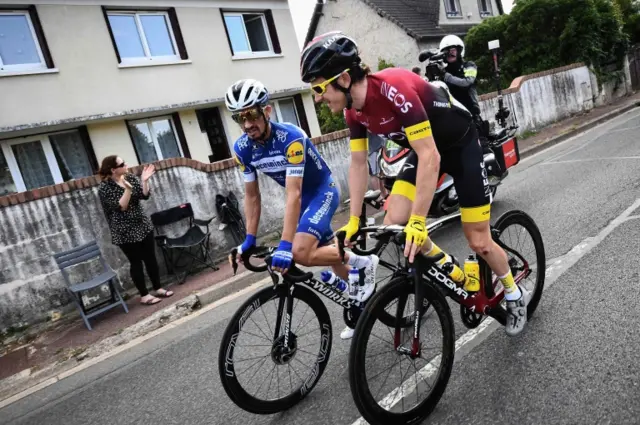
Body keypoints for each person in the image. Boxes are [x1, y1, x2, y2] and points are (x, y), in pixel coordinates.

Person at [300, 31, 531, 336]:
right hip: (424, 150)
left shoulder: (393, 90)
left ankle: (515, 295)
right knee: (394, 222)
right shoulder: (352, 112)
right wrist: (355, 220)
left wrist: (420, 222)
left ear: (343, 79)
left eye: (318, 87)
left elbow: (431, 157)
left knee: (478, 240)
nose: (317, 97)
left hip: (459, 147)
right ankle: (451, 269)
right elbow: (358, 164)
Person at [225, 79, 378, 340]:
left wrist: (285, 246)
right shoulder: (242, 149)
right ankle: (359, 299)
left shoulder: (291, 138)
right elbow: (251, 195)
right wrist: (248, 240)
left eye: (251, 114)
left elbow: (293, 193)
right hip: (304, 203)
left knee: (300, 251)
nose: (247, 123)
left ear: (267, 111)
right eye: (240, 118)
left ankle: (365, 263)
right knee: (333, 260)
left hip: (321, 192)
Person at [98, 156, 173, 305]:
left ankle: (157, 287)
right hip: (124, 231)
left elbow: (143, 196)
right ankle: (144, 295)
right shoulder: (105, 188)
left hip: (142, 225)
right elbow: (121, 207)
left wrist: (144, 180)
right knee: (136, 262)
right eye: (122, 164)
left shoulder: (130, 177)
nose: (126, 165)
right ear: (113, 169)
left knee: (150, 258)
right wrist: (127, 189)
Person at [437, 35, 483, 132]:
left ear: (459, 50)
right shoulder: (443, 71)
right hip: (452, 114)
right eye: (446, 51)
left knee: (480, 143)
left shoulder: (469, 65)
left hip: (470, 112)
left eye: (452, 50)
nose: (450, 53)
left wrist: (446, 76)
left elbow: (467, 82)